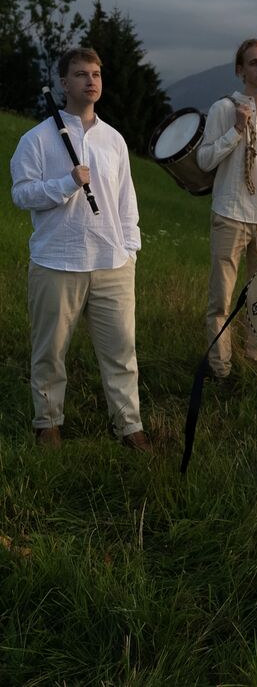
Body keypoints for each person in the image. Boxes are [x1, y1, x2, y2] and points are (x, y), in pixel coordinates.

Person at [10, 47, 149, 450]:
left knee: (122, 353)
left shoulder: (114, 140)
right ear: (63, 83)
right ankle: (48, 422)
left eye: (96, 74)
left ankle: (129, 426)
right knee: (50, 352)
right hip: (56, 262)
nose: (91, 80)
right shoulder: (37, 139)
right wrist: (66, 183)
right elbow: (21, 195)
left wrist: (130, 251)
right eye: (81, 74)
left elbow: (126, 201)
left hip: (112, 263)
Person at [197, 38, 257, 378]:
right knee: (221, 300)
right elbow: (205, 159)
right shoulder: (224, 109)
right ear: (240, 70)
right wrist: (236, 130)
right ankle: (219, 367)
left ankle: (256, 360)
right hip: (230, 215)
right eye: (253, 62)